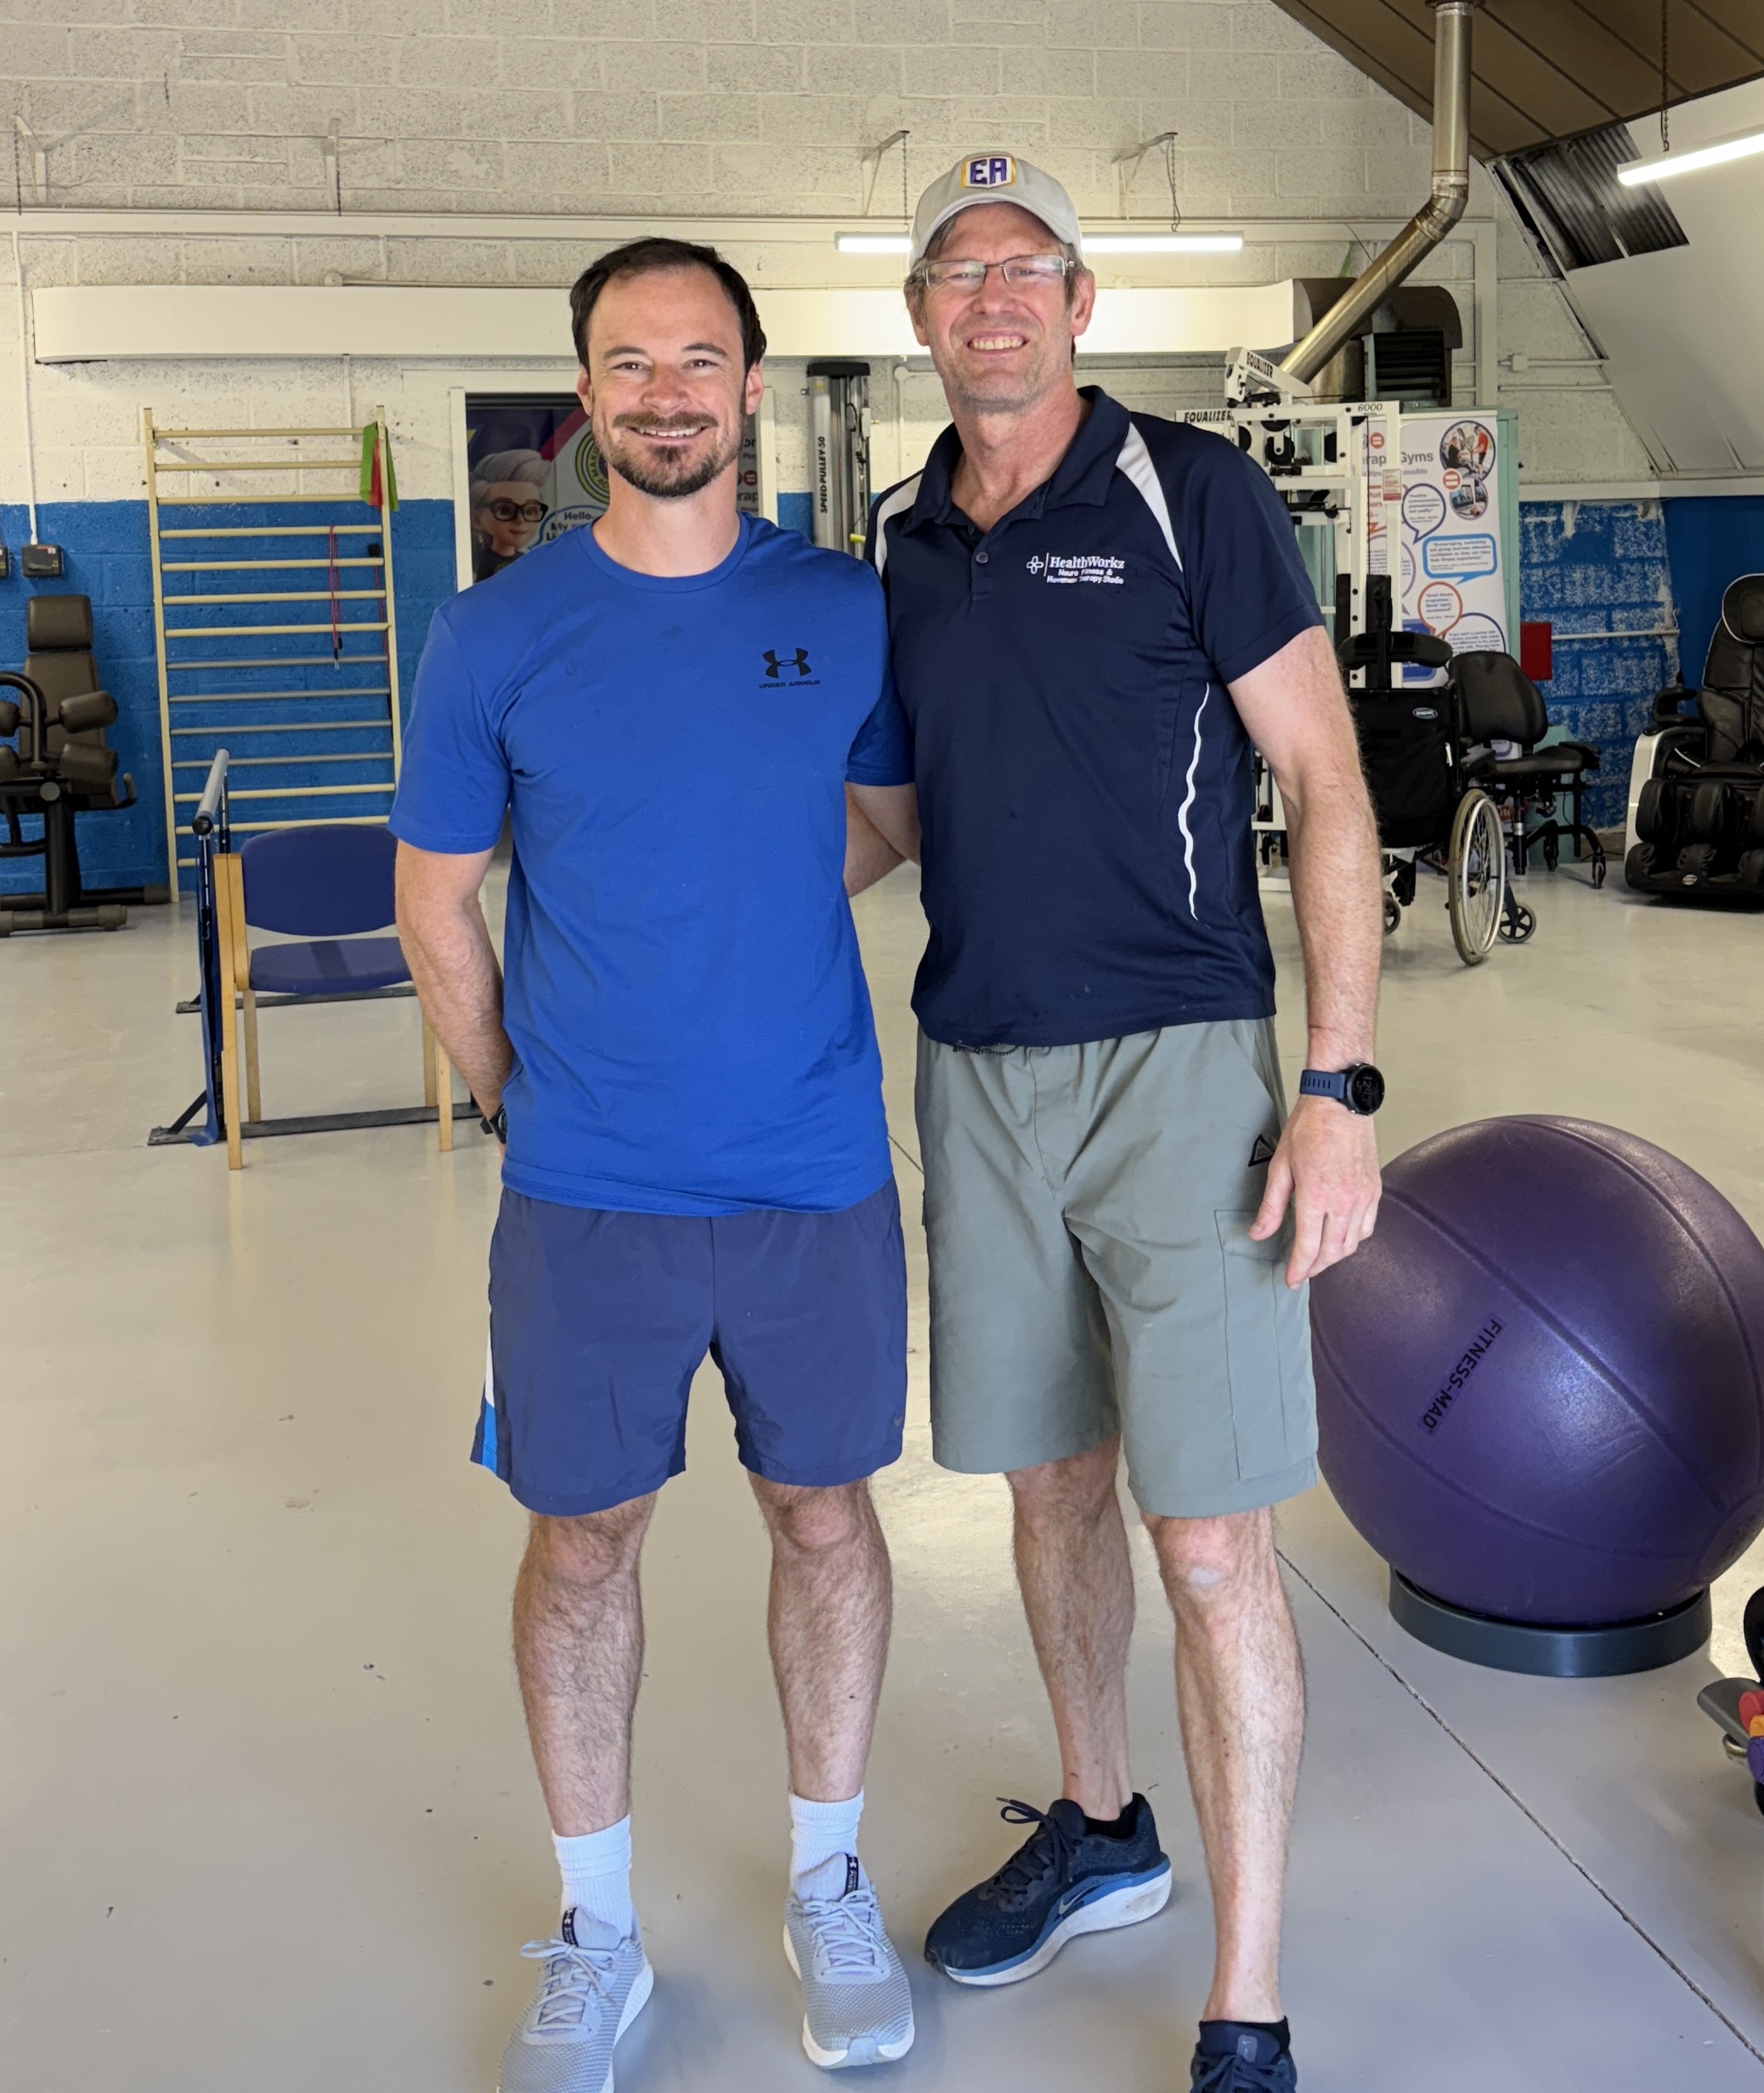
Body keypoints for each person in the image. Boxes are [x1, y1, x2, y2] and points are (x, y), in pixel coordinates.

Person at [857, 154, 1386, 2093]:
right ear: (919, 314)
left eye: (1025, 267)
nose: (990, 298)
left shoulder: (1191, 490)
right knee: (1047, 1488)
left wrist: (1333, 1085)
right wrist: (676, 913)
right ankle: (1099, 1822)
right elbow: (892, 813)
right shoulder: (904, 531)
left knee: (1214, 1541)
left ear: (1079, 300)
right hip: (976, 1076)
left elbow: (1324, 780)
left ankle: (1244, 1997)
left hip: (1178, 1071)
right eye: (956, 270)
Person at [393, 236, 923, 2090]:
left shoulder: (841, 607)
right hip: (588, 1191)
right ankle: (599, 1929)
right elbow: (435, 901)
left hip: (811, 1174)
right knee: (582, 1541)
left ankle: (828, 1880)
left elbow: (879, 823)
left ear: (752, 387)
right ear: (586, 398)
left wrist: (743, 897)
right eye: (630, 362)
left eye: (701, 359)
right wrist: (519, 1096)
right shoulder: (496, 632)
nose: (667, 393)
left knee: (825, 1519)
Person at [469, 447, 550, 579]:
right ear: (477, 519)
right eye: (505, 511)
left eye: (530, 511)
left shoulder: (531, 563)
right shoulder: (475, 564)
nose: (520, 520)